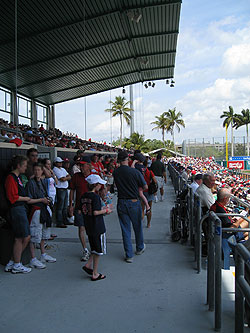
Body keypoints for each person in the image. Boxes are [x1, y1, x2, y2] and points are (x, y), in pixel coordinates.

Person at [113, 151, 147, 263]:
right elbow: (145, 186)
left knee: (125, 229)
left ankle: (129, 255)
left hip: (121, 202)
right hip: (133, 202)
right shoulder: (135, 172)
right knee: (137, 227)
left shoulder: (116, 172)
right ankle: (139, 247)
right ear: (128, 159)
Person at [4, 155, 32, 274]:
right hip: (17, 209)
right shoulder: (11, 178)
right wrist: (25, 198)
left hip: (20, 209)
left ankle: (13, 261)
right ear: (18, 166)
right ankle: (16, 264)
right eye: (24, 165)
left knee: (23, 237)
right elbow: (13, 197)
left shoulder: (18, 177)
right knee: (22, 237)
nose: (26, 168)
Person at [81, 174, 111, 281]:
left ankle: (88, 264)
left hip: (88, 225)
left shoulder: (84, 196)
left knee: (93, 247)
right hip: (97, 226)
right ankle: (95, 273)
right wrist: (106, 210)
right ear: (95, 185)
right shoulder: (95, 197)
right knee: (98, 250)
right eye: (99, 184)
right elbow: (96, 212)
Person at [26, 163, 56, 269]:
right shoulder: (30, 183)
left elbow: (48, 177)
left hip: (44, 208)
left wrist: (47, 200)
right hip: (36, 209)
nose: (37, 172)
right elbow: (29, 200)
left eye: (39, 170)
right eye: (35, 170)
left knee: (44, 232)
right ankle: (33, 258)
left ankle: (43, 254)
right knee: (34, 234)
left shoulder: (43, 182)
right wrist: (41, 200)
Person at [69, 158, 91, 261]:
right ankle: (85, 249)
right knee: (81, 228)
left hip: (91, 207)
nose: (81, 167)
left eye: (83, 165)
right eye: (80, 166)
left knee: (91, 228)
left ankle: (93, 247)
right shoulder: (76, 176)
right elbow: (72, 191)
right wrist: (71, 205)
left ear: (88, 166)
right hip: (79, 207)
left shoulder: (94, 176)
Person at [53, 157, 71, 228]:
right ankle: (59, 222)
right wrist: (66, 178)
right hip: (60, 189)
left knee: (65, 206)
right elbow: (62, 179)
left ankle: (65, 219)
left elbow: (69, 176)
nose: (60, 163)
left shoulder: (63, 169)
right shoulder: (55, 169)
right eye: (59, 162)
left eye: (61, 162)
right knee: (60, 206)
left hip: (65, 188)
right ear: (55, 163)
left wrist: (65, 178)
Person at [141, 159, 157, 228]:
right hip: (149, 191)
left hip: (141, 191)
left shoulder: (139, 172)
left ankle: (140, 222)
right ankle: (148, 224)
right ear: (147, 164)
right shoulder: (150, 172)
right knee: (149, 209)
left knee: (142, 209)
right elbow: (155, 181)